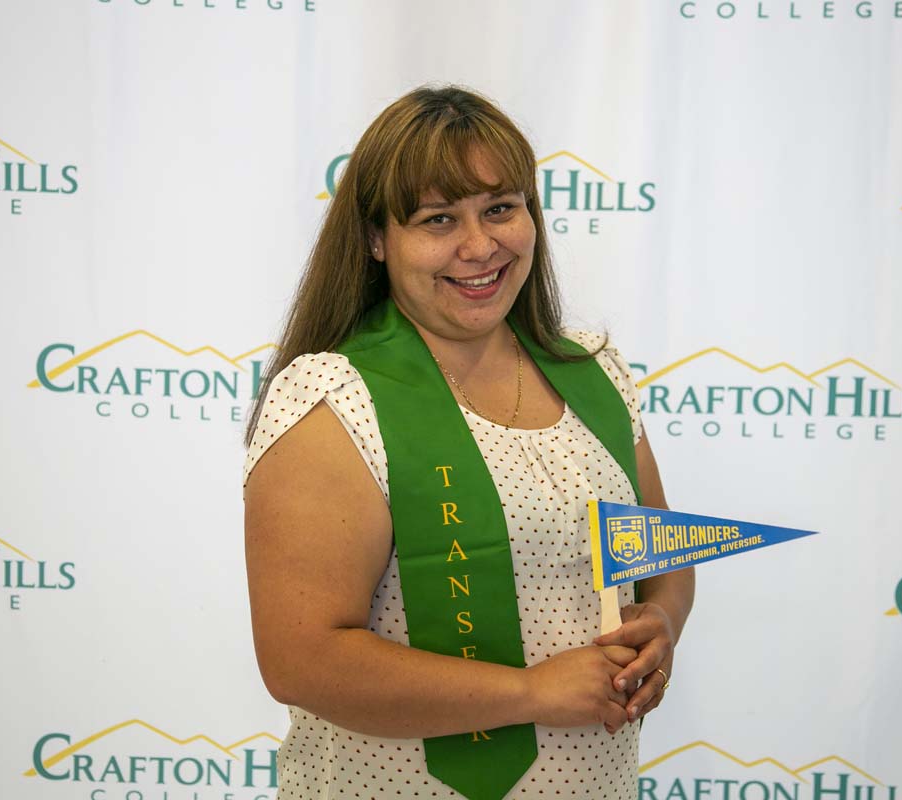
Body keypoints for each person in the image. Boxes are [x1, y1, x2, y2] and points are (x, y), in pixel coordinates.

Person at [242, 85, 694, 800]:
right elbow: (303, 660)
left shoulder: (592, 368)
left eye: (500, 209)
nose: (480, 246)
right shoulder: (334, 398)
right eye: (438, 219)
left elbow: (660, 551)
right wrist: (531, 693)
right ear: (376, 239)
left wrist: (660, 621)